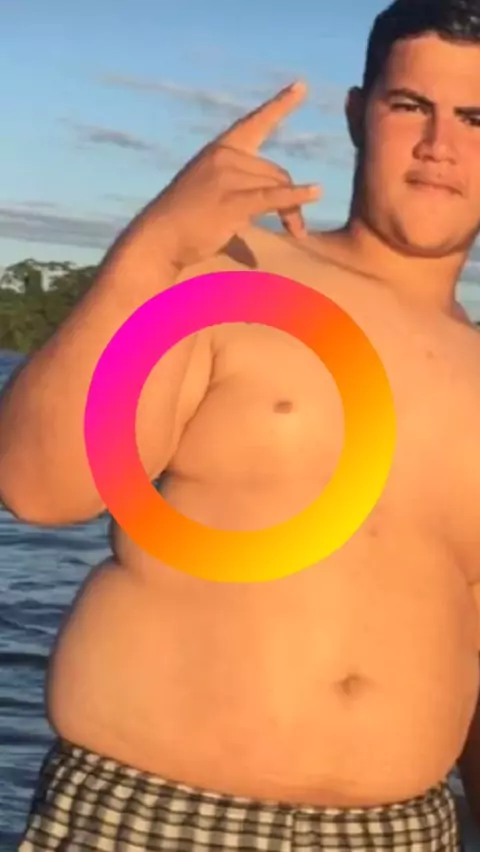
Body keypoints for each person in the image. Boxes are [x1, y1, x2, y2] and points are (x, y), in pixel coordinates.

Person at [1, 0, 480, 848]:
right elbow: (41, 488)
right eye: (412, 105)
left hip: (407, 832)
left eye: (476, 118)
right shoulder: (233, 272)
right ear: (357, 114)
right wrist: (153, 248)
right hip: (153, 820)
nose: (440, 144)